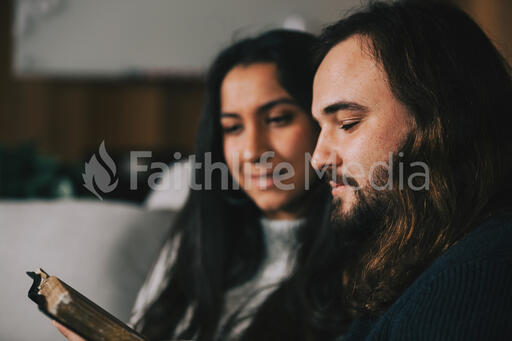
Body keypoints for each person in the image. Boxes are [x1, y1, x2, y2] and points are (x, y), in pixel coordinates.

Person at [55, 30, 346, 341]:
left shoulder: (358, 264)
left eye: (277, 119)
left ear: (322, 121)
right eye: (233, 128)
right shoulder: (199, 238)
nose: (252, 151)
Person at [310, 0, 512, 339]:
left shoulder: (474, 277)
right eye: (320, 126)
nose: (318, 158)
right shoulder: (416, 261)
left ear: (441, 120)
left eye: (347, 123)